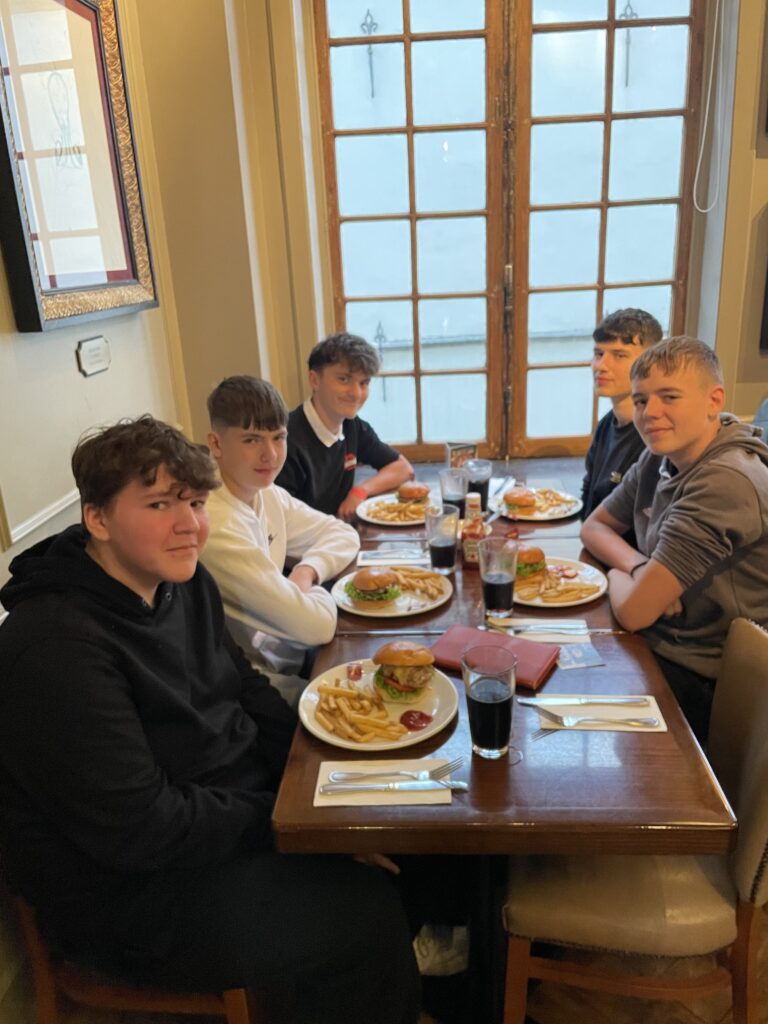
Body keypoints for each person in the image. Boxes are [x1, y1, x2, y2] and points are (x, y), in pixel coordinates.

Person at [0, 416, 420, 1024]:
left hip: (221, 818)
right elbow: (143, 828)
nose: (188, 524)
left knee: (408, 828)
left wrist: (314, 788)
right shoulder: (55, 648)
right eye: (159, 504)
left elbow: (243, 685)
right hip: (131, 893)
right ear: (98, 518)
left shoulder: (183, 579)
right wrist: (288, 822)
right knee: (363, 913)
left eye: (195, 502)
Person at [581, 337, 768, 743]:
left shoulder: (725, 481)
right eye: (641, 400)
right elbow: (594, 527)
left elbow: (635, 612)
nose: (650, 413)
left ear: (714, 401)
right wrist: (638, 566)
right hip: (659, 643)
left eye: (669, 397)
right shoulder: (659, 457)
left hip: (709, 679)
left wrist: (616, 574)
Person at [203, 376, 360, 706]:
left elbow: (344, 534)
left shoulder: (267, 494)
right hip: (257, 687)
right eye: (251, 440)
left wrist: (307, 571)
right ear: (216, 445)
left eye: (279, 437)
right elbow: (316, 626)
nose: (271, 455)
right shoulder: (216, 524)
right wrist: (311, 594)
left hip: (296, 655)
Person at [276, 332, 414, 520]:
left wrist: (360, 491)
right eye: (344, 379)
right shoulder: (283, 440)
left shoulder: (352, 426)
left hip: (338, 531)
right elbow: (281, 518)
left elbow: (403, 469)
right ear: (315, 380)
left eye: (364, 383)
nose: (356, 393)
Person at [582, 307, 663, 519]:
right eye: (598, 354)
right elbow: (588, 502)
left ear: (649, 363)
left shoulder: (655, 434)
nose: (601, 366)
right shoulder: (606, 425)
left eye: (619, 355)